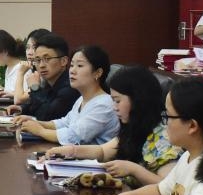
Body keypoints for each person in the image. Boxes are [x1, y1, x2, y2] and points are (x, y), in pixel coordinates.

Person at [46, 65, 182, 187]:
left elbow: (168, 187)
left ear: (138, 100)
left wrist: (134, 170)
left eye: (117, 101)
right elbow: (102, 151)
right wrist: (69, 151)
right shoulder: (134, 128)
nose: (114, 107)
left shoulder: (164, 138)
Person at [12, 46, 119, 146]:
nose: (72, 71)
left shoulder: (104, 104)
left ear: (98, 72)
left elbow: (74, 137)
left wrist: (40, 131)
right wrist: (35, 122)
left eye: (80, 65)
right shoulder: (82, 99)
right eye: (72, 65)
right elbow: (65, 123)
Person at [4, 33, 79, 121]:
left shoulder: (70, 86)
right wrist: (21, 109)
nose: (41, 65)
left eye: (47, 59)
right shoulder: (49, 83)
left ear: (63, 61)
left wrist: (35, 88)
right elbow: (41, 104)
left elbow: (47, 116)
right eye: (38, 60)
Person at [0, 29, 28, 100]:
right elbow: (12, 91)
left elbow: (26, 96)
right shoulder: (9, 67)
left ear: (5, 51)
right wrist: (1, 89)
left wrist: (11, 94)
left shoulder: (23, 68)